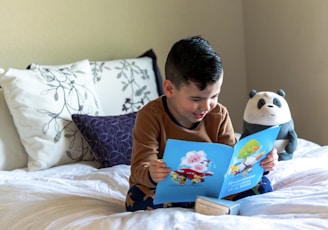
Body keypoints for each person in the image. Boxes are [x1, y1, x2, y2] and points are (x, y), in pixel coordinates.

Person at [125, 36, 278, 211]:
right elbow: (139, 168)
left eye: (214, 96)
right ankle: (202, 205)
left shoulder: (219, 114)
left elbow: (233, 162)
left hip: (213, 189)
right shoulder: (150, 115)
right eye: (196, 99)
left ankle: (205, 203)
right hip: (169, 189)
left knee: (263, 185)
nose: (206, 106)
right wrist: (152, 173)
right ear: (169, 89)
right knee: (136, 198)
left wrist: (261, 163)